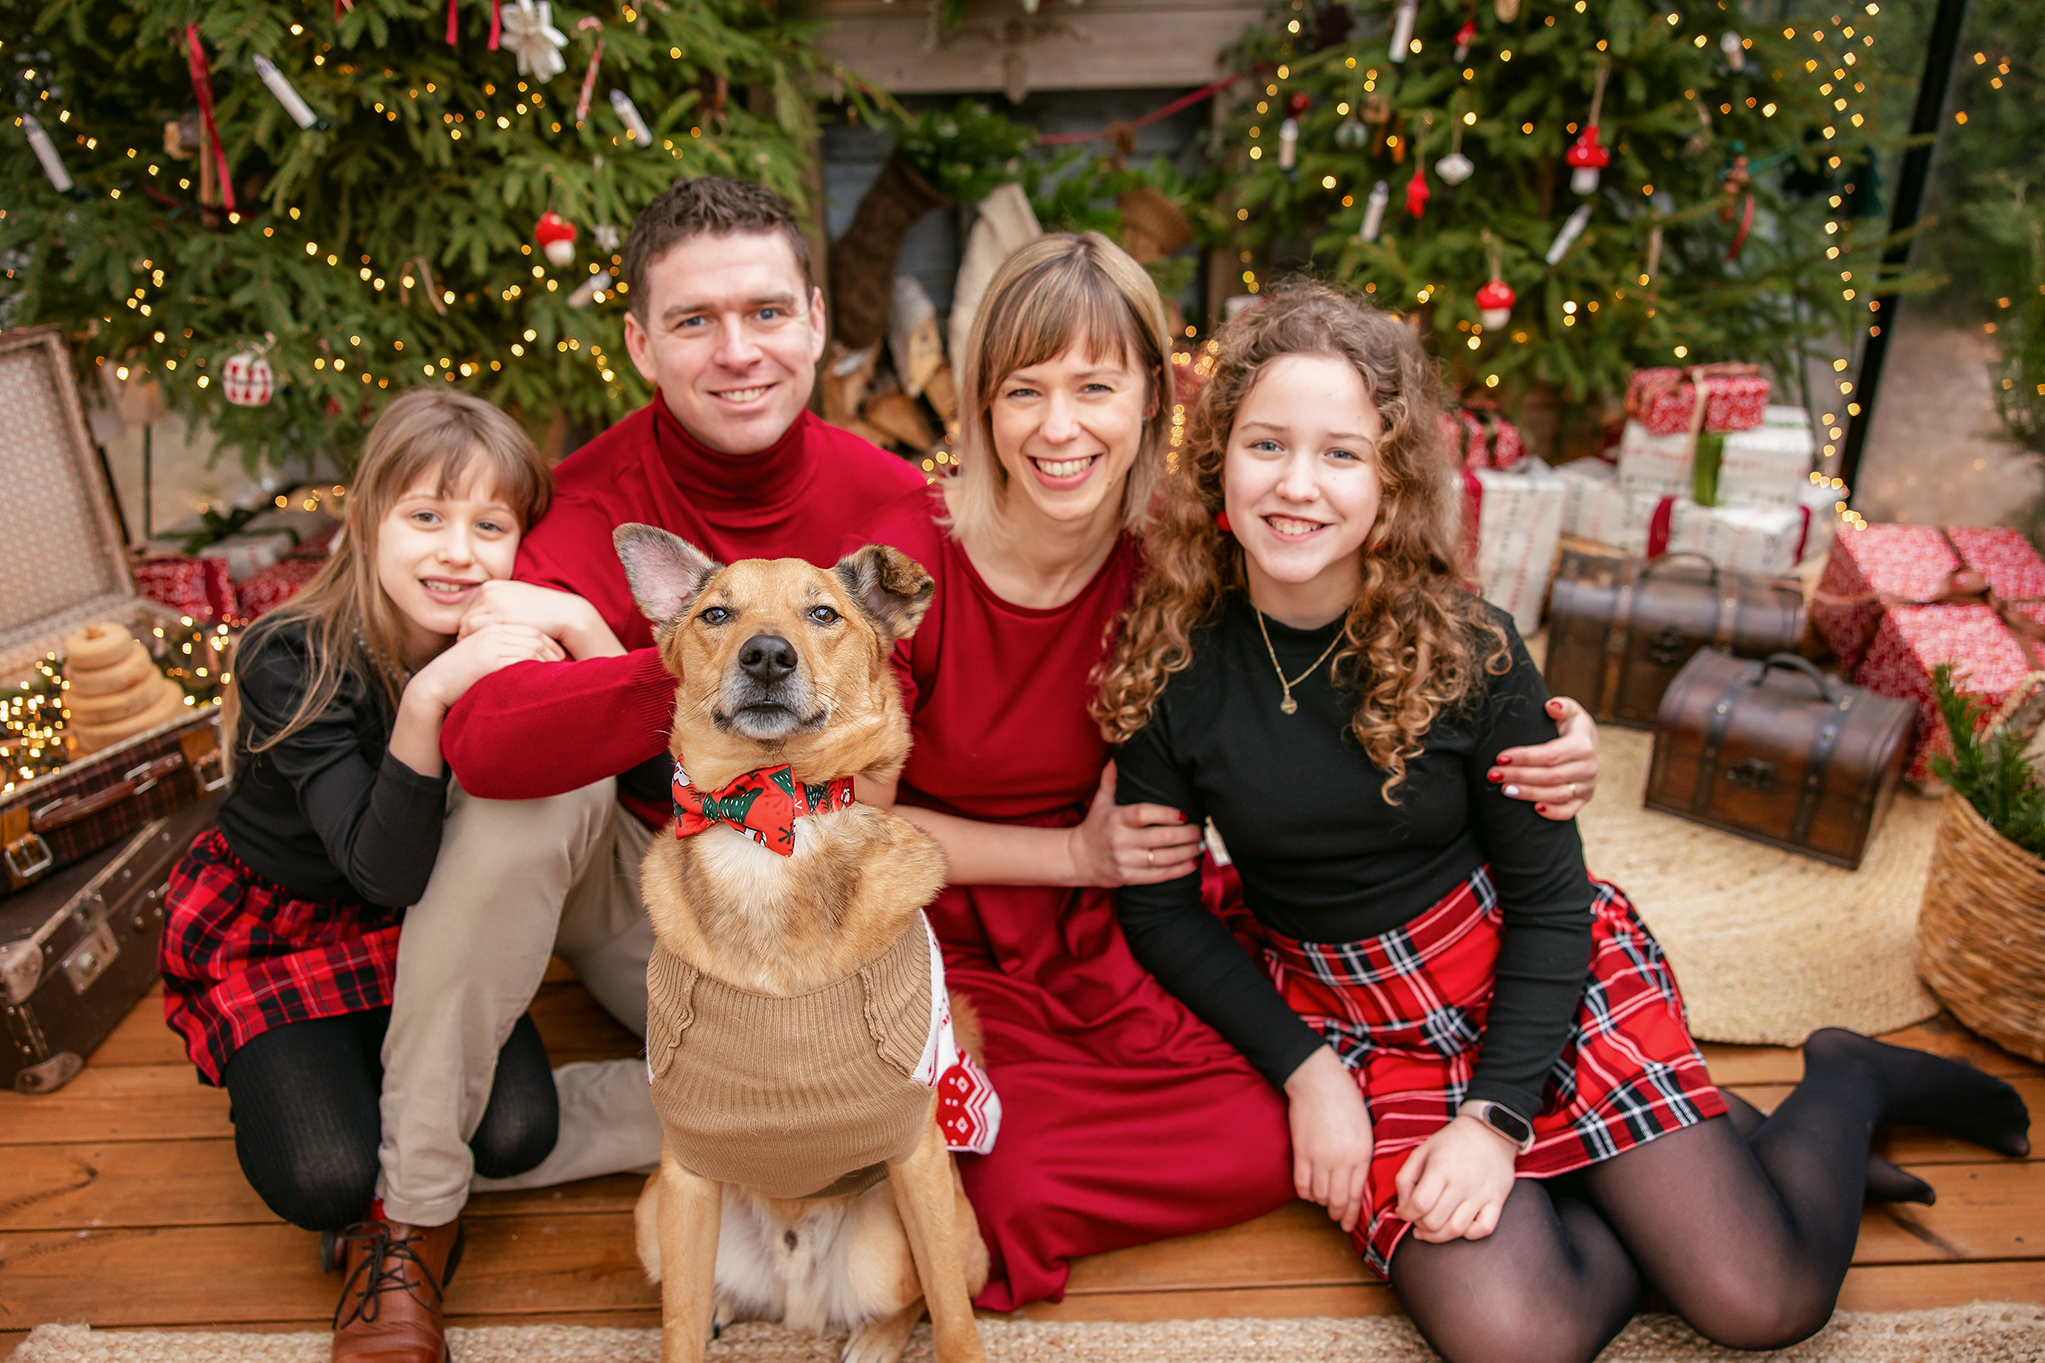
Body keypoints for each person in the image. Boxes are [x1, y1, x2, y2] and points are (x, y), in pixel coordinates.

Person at [1096, 281, 2033, 1361]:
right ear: (1216, 457)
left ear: (1390, 481)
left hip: (1528, 976)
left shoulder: (1470, 651)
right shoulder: (1172, 662)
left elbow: (1550, 902)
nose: (1296, 484)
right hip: (1351, 1021)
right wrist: (1308, 1073)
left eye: (1340, 454)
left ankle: (1845, 1077)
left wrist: (1494, 1121)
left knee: (1757, 1298)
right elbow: (1160, 910)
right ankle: (1674, 1152)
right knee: (1515, 1338)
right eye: (1266, 444)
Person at [845, 234, 1605, 1310]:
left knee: (1278, 1125)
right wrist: (1071, 857)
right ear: (978, 404)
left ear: (1151, 402)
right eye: (1024, 390)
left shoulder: (1176, 551)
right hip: (945, 922)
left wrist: (1550, 731)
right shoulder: (901, 566)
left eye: (1095, 387)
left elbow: (1364, 627)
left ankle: (1558, 1169)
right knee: (1005, 1178)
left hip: (1116, 917)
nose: (1059, 428)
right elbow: (848, 828)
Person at [355, 176, 930, 1360]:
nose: (737, 352)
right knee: (527, 803)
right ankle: (410, 1214)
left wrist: (631, 645)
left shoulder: (884, 499)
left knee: (845, 1092)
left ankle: (541, 1113)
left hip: (805, 892)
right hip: (644, 881)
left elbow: (877, 753)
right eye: (692, 321)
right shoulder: (590, 498)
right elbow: (488, 739)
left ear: (816, 320)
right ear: (638, 342)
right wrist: (691, 669)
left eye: (765, 312)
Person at [158, 390, 623, 1355]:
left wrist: (582, 626)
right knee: (325, 1178)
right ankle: (346, 1102)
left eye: (489, 526)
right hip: (285, 929)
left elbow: (653, 768)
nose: (458, 553)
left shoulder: (513, 642)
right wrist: (431, 696)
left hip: (420, 931)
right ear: (368, 517)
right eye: (426, 516)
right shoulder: (288, 654)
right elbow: (382, 871)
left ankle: (412, 1086)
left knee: (518, 1135)